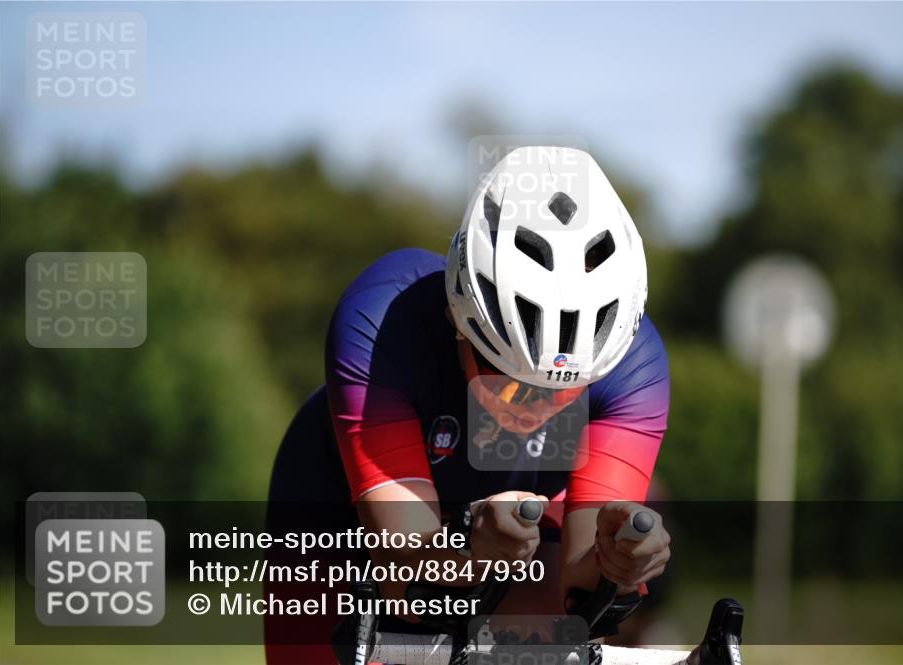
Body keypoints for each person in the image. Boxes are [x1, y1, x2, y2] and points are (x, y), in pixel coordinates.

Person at [265, 146, 672, 664]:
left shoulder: (634, 366)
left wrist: (622, 564)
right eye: (504, 379)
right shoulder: (382, 319)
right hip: (335, 510)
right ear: (460, 325)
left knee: (550, 638)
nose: (531, 407)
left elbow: (582, 591)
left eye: (564, 392)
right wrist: (467, 548)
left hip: (511, 527)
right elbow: (408, 577)